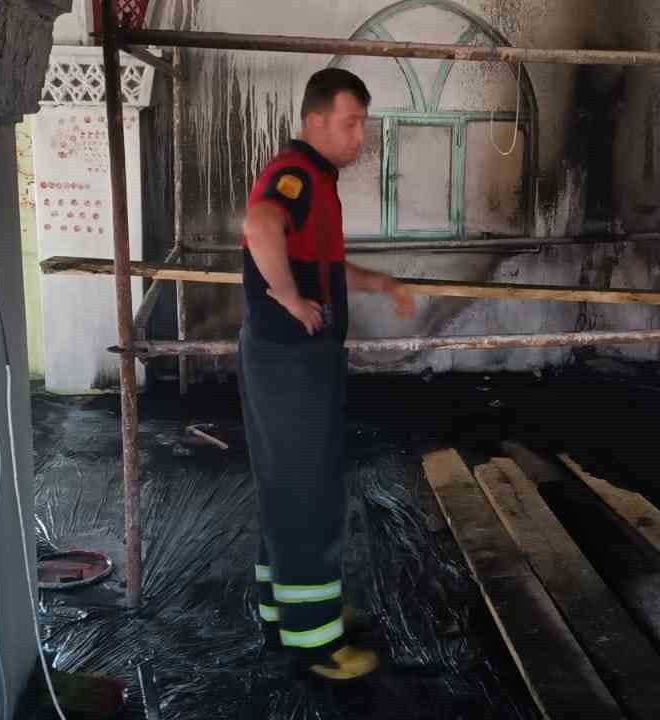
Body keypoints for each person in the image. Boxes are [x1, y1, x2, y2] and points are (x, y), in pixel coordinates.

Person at [239, 67, 415, 680]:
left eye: (363, 123)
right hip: (290, 360)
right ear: (316, 121)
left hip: (292, 358)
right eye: (351, 123)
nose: (360, 136)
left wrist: (379, 283)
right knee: (308, 492)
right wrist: (288, 297)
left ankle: (285, 613)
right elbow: (260, 225)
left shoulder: (317, 179)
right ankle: (316, 642)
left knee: (287, 486)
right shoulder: (294, 174)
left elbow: (324, 266)